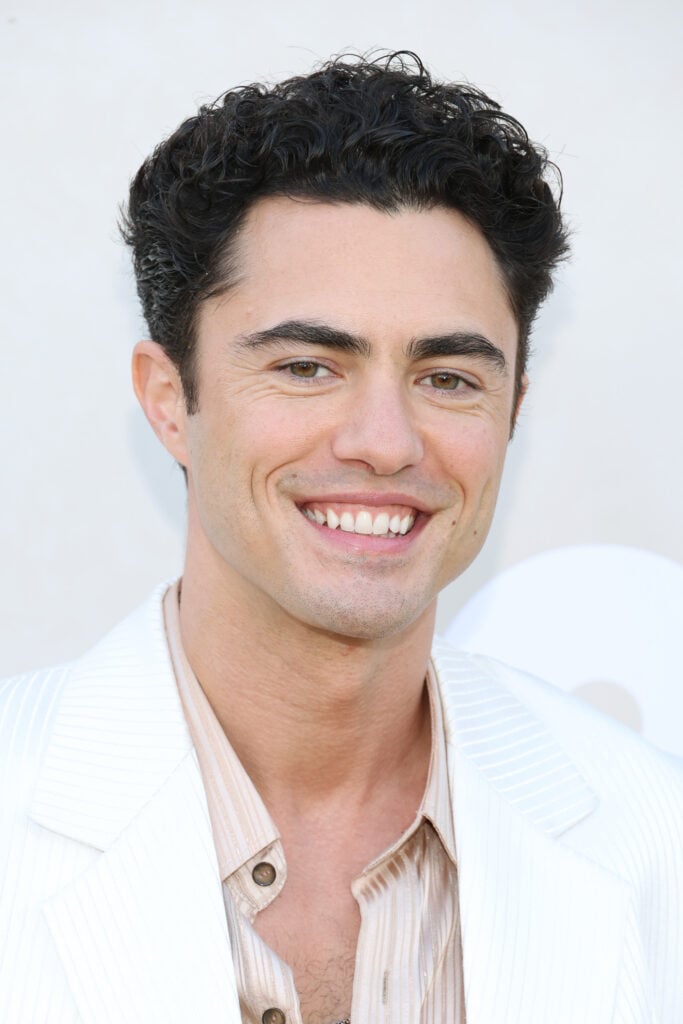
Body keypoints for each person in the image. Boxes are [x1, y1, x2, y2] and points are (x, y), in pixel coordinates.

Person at [1, 52, 681, 1024]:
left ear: (512, 411)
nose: (383, 441)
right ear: (168, 400)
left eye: (447, 378)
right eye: (308, 367)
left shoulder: (657, 846)